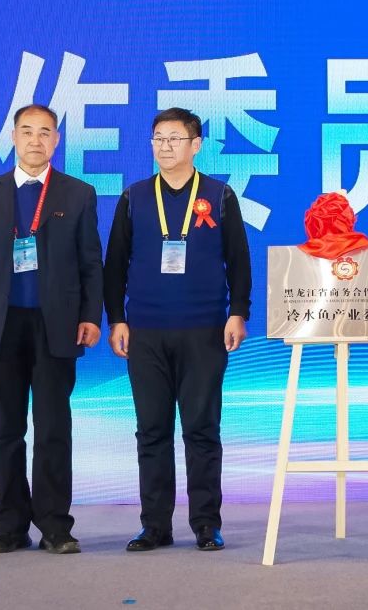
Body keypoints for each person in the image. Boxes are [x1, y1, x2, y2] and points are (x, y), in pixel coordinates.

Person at [0, 103, 103, 555]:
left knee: (53, 428)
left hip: (56, 325)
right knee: (4, 429)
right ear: (13, 138)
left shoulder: (78, 194)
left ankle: (55, 526)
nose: (35, 140)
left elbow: (91, 262)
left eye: (45, 132)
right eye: (27, 131)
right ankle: (11, 526)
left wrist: (90, 315)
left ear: (57, 140)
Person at [104, 108, 251, 552]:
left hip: (204, 329)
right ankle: (155, 526)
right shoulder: (134, 197)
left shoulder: (219, 195)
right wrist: (117, 318)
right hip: (145, 331)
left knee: (201, 429)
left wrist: (237, 312)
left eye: (174, 138)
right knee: (151, 430)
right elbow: (115, 264)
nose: (165, 146)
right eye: (158, 138)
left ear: (196, 145)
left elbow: (238, 260)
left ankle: (206, 523)